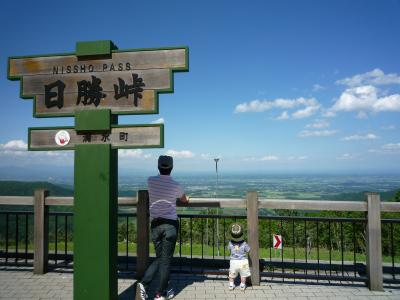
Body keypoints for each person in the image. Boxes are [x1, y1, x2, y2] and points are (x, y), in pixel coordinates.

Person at [136, 155, 189, 300]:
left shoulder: (150, 181)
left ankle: (153, 287)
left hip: (155, 224)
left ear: (158, 167)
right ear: (171, 168)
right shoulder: (175, 184)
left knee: (161, 258)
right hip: (170, 225)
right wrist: (186, 199)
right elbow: (184, 199)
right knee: (165, 260)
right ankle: (160, 292)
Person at [227, 223, 251, 291]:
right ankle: (242, 285)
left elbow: (228, 248)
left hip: (233, 262)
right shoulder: (244, 243)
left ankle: (231, 285)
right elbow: (248, 250)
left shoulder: (230, 243)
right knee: (243, 275)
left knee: (231, 275)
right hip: (243, 262)